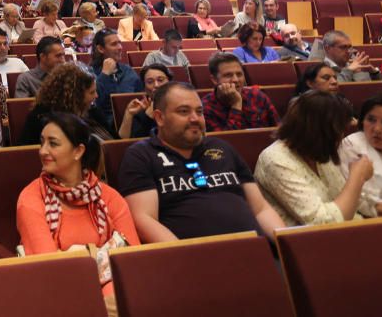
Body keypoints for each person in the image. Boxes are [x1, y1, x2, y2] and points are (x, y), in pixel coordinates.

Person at [118, 82, 285, 242]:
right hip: (194, 260)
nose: (195, 118)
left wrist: (287, 245)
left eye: (199, 112)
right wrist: (189, 256)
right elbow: (144, 220)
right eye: (184, 111)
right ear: (160, 118)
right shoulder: (141, 155)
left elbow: (261, 209)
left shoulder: (222, 147)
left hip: (257, 251)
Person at [18, 112, 139, 309]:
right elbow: (50, 266)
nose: (42, 151)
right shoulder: (31, 197)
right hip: (55, 294)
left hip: (112, 295)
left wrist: (79, 256)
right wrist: (103, 255)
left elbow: (130, 259)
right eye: (42, 143)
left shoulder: (108, 196)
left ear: (78, 151)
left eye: (53, 143)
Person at [254, 91, 371, 226]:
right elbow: (322, 222)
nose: (340, 137)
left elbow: (351, 203)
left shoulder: (319, 151)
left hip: (347, 231)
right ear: (320, 132)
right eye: (338, 131)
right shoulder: (275, 159)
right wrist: (357, 178)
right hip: (310, 241)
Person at [19, 63, 104, 145]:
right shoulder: (42, 118)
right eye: (92, 92)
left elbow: (112, 141)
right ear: (76, 95)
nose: (96, 96)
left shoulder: (91, 110)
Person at [201, 52, 279, 131]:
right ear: (214, 80)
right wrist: (236, 105)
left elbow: (279, 129)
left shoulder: (257, 96)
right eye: (228, 75)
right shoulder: (206, 108)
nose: (236, 80)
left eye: (239, 74)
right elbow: (230, 140)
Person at [117, 64, 171, 140]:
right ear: (144, 87)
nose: (156, 85)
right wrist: (147, 117)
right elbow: (128, 142)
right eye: (150, 82)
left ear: (169, 82)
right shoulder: (140, 109)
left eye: (160, 80)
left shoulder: (181, 104)